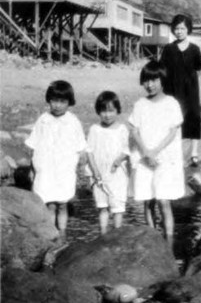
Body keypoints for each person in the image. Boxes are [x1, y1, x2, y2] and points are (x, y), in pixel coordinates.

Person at [129, 60, 185, 247]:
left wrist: (155, 152)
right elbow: (134, 131)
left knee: (163, 200)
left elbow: (172, 132)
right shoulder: (140, 104)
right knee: (147, 200)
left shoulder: (171, 103)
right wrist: (145, 152)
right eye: (146, 80)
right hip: (145, 158)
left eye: (154, 80)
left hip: (164, 158)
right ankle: (152, 235)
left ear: (162, 80)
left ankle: (169, 240)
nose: (150, 84)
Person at [25, 80, 86, 241]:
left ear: (69, 102)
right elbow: (34, 145)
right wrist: (32, 169)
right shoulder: (43, 119)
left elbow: (80, 147)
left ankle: (63, 234)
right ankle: (51, 235)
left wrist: (80, 168)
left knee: (63, 203)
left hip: (63, 169)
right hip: (46, 168)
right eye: (54, 100)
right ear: (49, 100)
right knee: (50, 203)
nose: (57, 105)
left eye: (62, 101)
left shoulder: (73, 121)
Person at [160, 13, 201, 167]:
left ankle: (194, 153)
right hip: (172, 88)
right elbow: (162, 69)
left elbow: (199, 66)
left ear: (188, 29)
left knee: (194, 117)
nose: (179, 31)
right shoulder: (168, 49)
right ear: (173, 30)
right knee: (174, 119)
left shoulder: (195, 49)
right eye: (176, 28)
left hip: (191, 89)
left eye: (182, 28)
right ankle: (174, 150)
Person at [86, 91, 130, 234]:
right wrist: (95, 171)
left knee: (117, 206)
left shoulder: (122, 129)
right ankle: (103, 233)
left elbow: (128, 150)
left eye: (111, 110)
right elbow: (89, 151)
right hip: (99, 173)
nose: (107, 114)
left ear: (117, 110)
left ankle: (117, 234)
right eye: (103, 111)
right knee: (102, 206)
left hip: (117, 173)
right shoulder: (95, 129)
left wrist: (119, 159)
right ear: (98, 111)